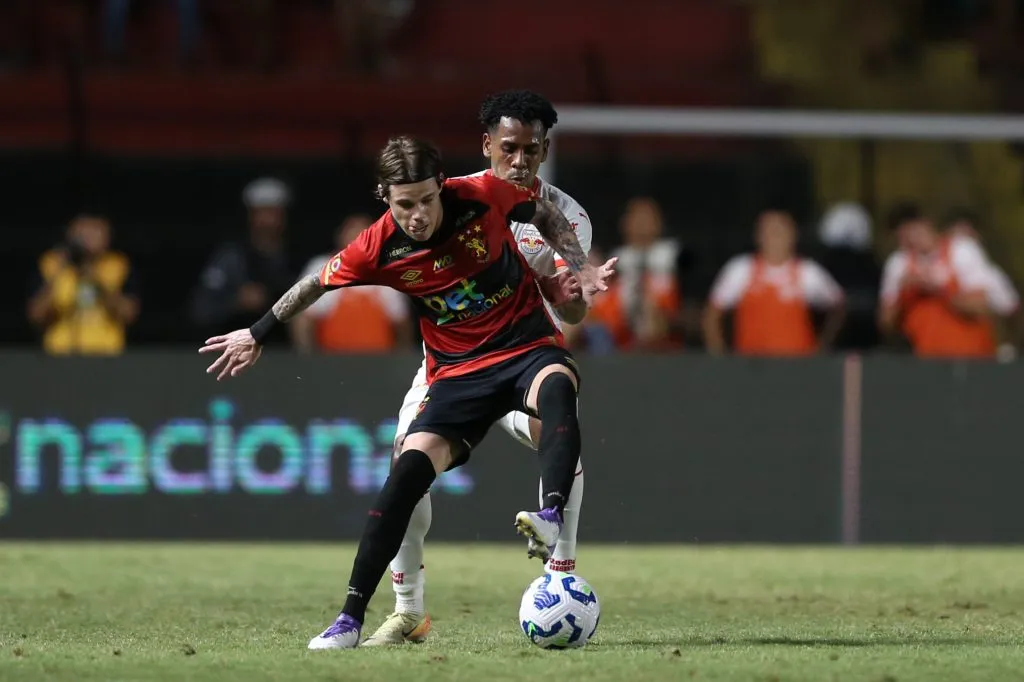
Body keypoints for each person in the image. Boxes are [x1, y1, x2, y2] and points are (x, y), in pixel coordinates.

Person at [198, 135, 615, 650]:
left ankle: (551, 518)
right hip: (456, 373)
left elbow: (545, 211)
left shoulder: (483, 193)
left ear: (441, 187)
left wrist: (577, 265)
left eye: (426, 200)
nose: (417, 215)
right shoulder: (377, 245)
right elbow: (314, 285)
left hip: (524, 348)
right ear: (385, 197)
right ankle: (351, 618)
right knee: (407, 473)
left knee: (558, 389)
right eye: (404, 204)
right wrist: (257, 331)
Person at [362, 90, 595, 647]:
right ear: (487, 144)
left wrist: (571, 295)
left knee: (559, 434)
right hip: (451, 368)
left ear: (545, 150)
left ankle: (559, 577)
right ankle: (406, 611)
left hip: (524, 359)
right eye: (509, 147)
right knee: (406, 472)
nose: (519, 160)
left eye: (531, 150)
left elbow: (574, 308)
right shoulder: (451, 199)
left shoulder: (568, 217)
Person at [703, 209, 845, 355]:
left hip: (798, 366)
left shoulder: (808, 272)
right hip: (750, 367)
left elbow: (839, 307)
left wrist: (823, 346)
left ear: (793, 236)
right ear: (758, 236)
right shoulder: (740, 270)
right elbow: (711, 316)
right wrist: (719, 358)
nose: (774, 238)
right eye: (768, 232)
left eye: (779, 232)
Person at [879, 203, 997, 358]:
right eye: (902, 235)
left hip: (971, 357)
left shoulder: (962, 251)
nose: (910, 239)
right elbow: (886, 323)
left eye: (913, 230)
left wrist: (940, 290)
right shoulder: (899, 264)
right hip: (924, 359)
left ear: (927, 224)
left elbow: (981, 306)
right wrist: (905, 294)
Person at [291, 213, 413, 353]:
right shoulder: (323, 268)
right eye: (353, 230)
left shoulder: (389, 272)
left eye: (364, 232)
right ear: (340, 236)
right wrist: (307, 361)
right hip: (332, 365)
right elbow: (303, 321)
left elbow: (403, 326)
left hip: (380, 367)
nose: (358, 236)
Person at [26, 213, 140, 355]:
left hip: (106, 355)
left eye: (95, 231)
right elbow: (36, 316)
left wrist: (96, 279)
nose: (88, 238)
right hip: (59, 355)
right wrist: (58, 274)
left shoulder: (118, 266)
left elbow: (129, 315)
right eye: (83, 231)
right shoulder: (51, 264)